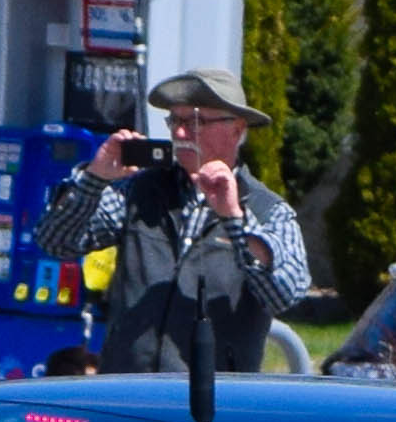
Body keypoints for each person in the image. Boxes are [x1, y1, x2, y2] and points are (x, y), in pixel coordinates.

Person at [34, 67, 309, 374]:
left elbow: (286, 293)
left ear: (237, 129)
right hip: (128, 393)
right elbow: (55, 242)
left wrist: (235, 219)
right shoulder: (138, 190)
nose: (180, 133)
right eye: (175, 121)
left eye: (196, 122)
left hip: (215, 401)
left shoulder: (268, 209)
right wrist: (94, 179)